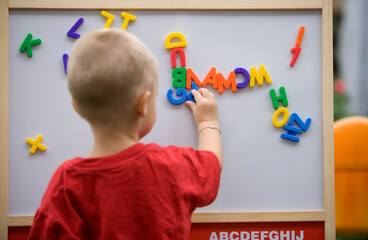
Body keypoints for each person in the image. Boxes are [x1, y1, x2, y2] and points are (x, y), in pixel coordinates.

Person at [29, 28, 222, 240]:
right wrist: (207, 121)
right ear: (143, 104)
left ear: (76, 107)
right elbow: (212, 164)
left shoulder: (66, 186)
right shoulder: (175, 166)